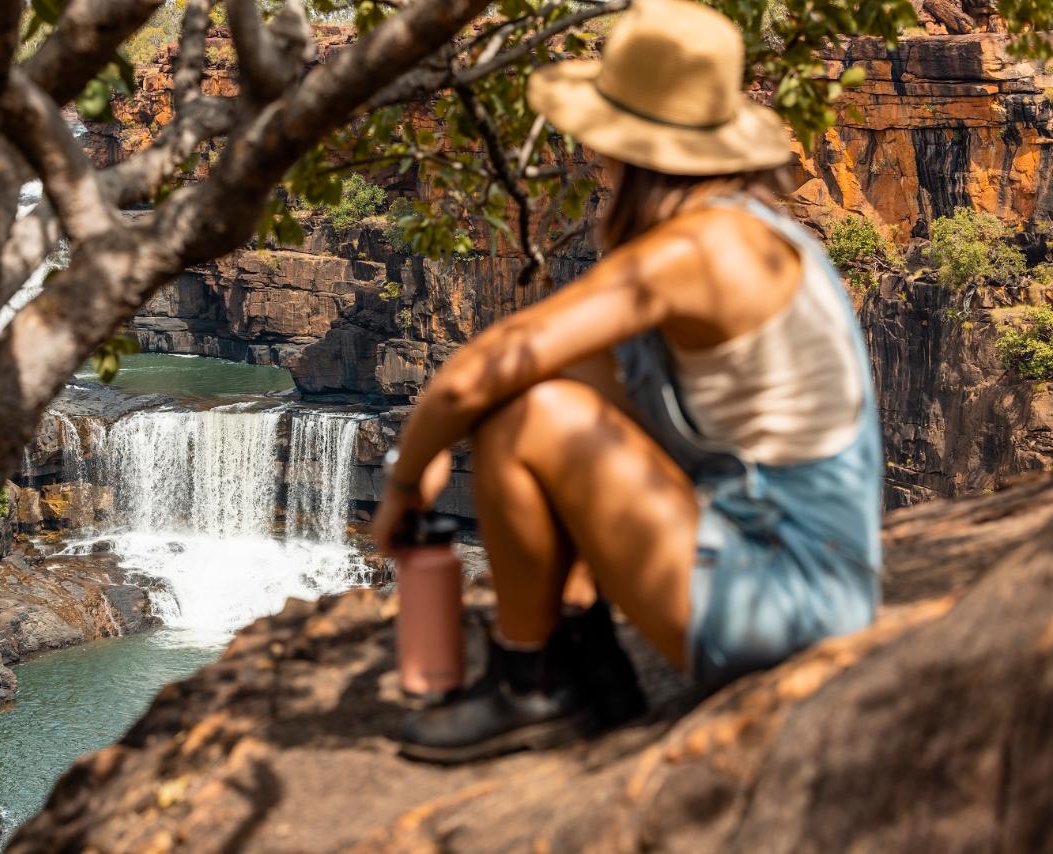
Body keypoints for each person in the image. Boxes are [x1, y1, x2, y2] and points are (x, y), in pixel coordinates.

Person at [372, 0, 884, 765]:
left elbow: (483, 366)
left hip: (786, 600)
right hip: (796, 574)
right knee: (539, 402)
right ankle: (586, 663)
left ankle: (534, 685)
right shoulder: (750, 227)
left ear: (633, 150)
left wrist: (406, 488)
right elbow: (591, 384)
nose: (593, 157)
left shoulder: (697, 252)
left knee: (530, 412)